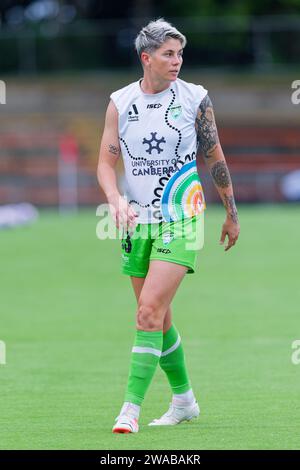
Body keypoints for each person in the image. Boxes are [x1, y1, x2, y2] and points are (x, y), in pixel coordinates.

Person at [97, 18, 240, 434]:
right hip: (137, 222)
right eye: (168, 54)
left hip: (183, 217)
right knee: (157, 317)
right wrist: (115, 200)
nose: (177, 61)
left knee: (146, 313)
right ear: (147, 58)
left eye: (180, 53)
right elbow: (106, 163)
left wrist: (231, 212)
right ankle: (185, 401)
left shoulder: (195, 98)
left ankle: (130, 408)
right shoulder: (120, 103)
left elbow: (214, 156)